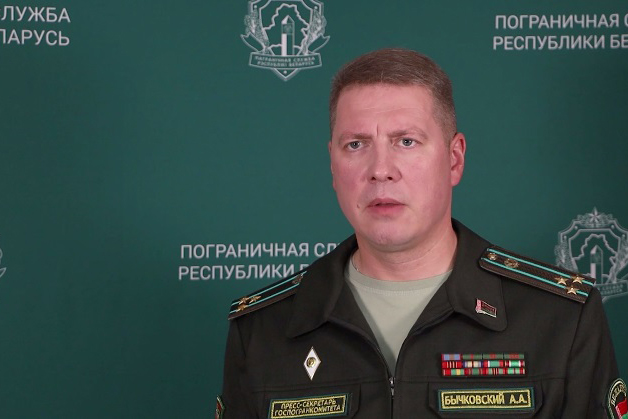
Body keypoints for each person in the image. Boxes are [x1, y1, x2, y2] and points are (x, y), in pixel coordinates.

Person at [216, 48, 625, 418]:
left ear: (454, 159)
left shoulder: (560, 319)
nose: (380, 169)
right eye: (356, 144)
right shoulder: (263, 329)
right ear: (333, 165)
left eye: (406, 141)